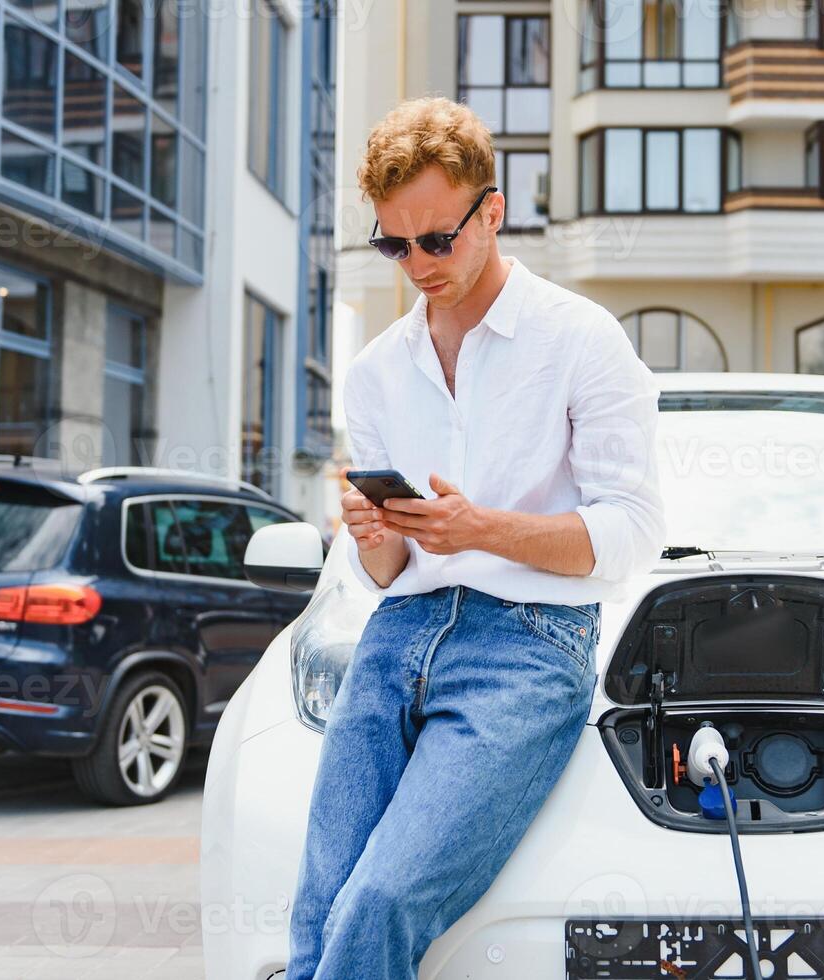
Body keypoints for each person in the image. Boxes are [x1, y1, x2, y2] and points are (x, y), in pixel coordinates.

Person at [285, 96, 666, 980]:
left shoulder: (581, 341)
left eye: (436, 240)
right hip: (398, 637)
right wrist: (373, 532)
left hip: (529, 647)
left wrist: (479, 528)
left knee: (382, 901)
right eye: (392, 245)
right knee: (318, 910)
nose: (415, 264)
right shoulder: (378, 372)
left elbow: (633, 532)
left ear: (490, 212)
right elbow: (385, 572)